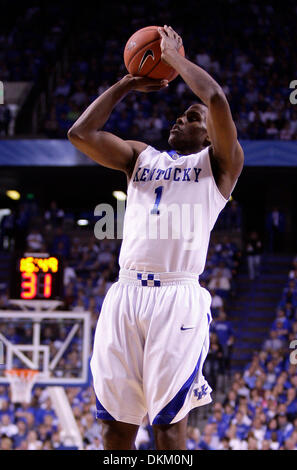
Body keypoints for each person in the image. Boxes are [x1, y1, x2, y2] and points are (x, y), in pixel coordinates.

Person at [68, 25, 244, 450]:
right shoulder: (140, 158)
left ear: (207, 134)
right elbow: (80, 134)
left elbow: (216, 99)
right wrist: (127, 83)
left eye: (191, 118)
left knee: (168, 431)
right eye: (180, 115)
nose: (179, 119)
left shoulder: (220, 166)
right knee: (115, 430)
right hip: (126, 293)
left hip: (176, 298)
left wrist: (173, 57)